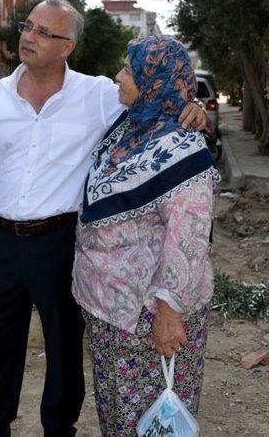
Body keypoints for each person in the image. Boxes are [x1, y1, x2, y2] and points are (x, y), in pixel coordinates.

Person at [0, 0, 206, 437]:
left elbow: (154, 106)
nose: (28, 38)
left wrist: (194, 110)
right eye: (27, 27)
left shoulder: (97, 96)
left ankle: (59, 428)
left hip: (60, 243)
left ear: (67, 45)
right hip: (3, 242)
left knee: (64, 349)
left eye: (42, 32)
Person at [72, 35, 217, 436]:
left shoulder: (184, 148)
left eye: (129, 71)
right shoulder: (127, 127)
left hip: (149, 319)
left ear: (153, 82)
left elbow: (189, 240)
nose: (117, 77)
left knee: (155, 420)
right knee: (117, 414)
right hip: (106, 313)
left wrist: (168, 313)